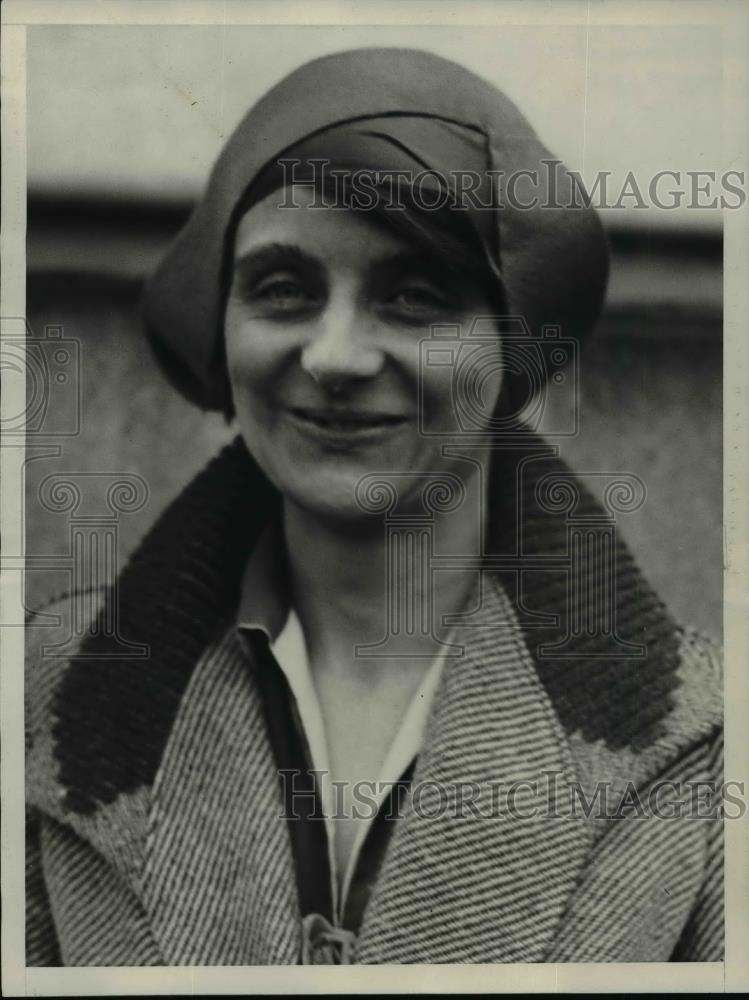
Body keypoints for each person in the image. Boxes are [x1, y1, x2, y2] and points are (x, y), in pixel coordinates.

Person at [25, 47, 723, 966]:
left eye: (414, 297)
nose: (336, 356)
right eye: (283, 290)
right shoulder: (45, 695)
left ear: (507, 350)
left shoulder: (707, 745)